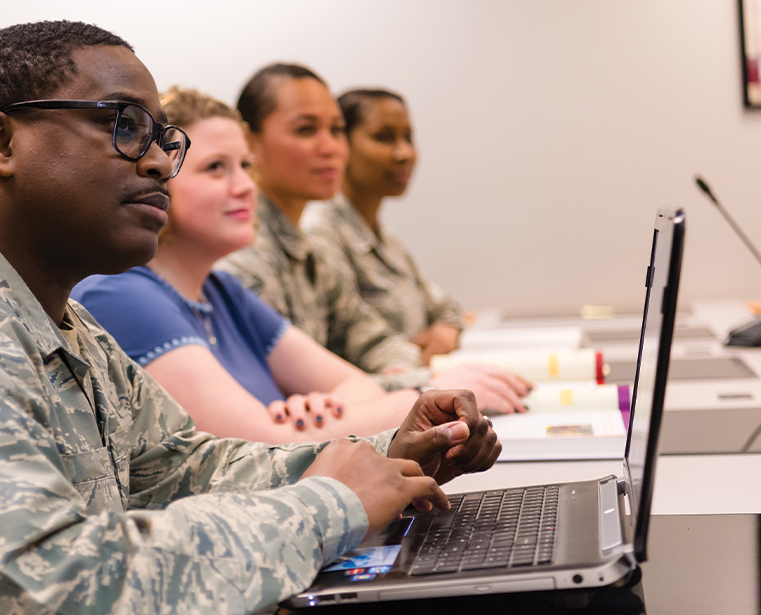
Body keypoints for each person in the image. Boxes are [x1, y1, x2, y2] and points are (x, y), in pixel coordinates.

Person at [0, 23, 500, 614]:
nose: (162, 159)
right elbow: (39, 591)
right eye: (123, 124)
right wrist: (330, 505)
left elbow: (181, 469)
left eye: (164, 135)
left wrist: (383, 457)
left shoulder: (46, 313)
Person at [73, 87, 423, 443]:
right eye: (215, 168)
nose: (245, 186)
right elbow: (264, 449)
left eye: (245, 166)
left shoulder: (222, 291)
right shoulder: (119, 293)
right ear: (160, 176)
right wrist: (404, 405)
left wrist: (321, 410)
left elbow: (357, 386)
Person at [216, 63, 529, 413]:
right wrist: (428, 384)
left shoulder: (306, 251)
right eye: (306, 130)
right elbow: (290, 398)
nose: (330, 147)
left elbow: (369, 337)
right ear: (249, 142)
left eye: (336, 130)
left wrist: (412, 371)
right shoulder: (242, 254)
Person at [303, 89, 464, 367]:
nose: (404, 153)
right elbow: (353, 343)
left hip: (413, 384)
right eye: (384, 138)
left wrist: (445, 331)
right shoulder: (320, 233)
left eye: (408, 138)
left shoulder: (384, 238)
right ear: (343, 144)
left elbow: (446, 308)